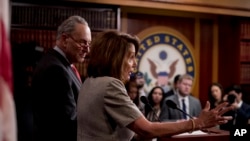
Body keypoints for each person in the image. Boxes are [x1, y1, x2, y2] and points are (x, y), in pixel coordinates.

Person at [77, 30, 232, 141]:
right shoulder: (111, 85)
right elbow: (146, 129)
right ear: (114, 58)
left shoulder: (90, 82)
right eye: (131, 58)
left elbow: (133, 131)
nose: (135, 65)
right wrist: (198, 123)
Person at [31, 15, 91, 141]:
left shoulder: (61, 64)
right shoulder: (56, 70)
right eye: (83, 42)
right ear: (65, 40)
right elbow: (68, 122)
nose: (87, 49)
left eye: (89, 44)